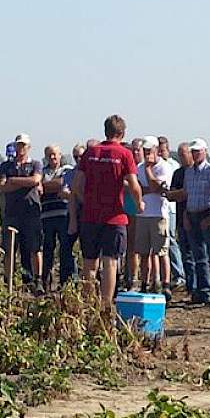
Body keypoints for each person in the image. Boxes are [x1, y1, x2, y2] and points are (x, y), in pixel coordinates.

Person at [70, 115, 144, 308]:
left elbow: (76, 185)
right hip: (114, 217)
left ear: (105, 131)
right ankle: (105, 306)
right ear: (122, 133)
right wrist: (139, 203)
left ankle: (88, 303)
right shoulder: (124, 154)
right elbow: (134, 186)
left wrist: (87, 201)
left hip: (90, 216)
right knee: (110, 262)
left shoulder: (90, 152)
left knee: (89, 262)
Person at [174, 138, 210, 306]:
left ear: (205, 151)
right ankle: (202, 291)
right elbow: (187, 195)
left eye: (198, 151)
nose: (195, 154)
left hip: (207, 214)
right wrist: (186, 216)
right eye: (193, 151)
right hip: (192, 214)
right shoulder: (189, 172)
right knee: (198, 256)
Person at [0, 133, 44, 291]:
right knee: (10, 249)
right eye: (18, 145)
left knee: (34, 248)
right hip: (12, 213)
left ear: (28, 147)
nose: (20, 148)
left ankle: (37, 280)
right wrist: (26, 182)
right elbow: (2, 186)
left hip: (31, 213)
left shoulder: (35, 164)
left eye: (23, 145)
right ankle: (8, 281)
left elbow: (35, 180)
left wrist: (14, 181)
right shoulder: (6, 166)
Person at [135, 136, 172, 293]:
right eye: (145, 151)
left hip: (159, 214)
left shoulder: (164, 167)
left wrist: (149, 170)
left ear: (156, 150)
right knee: (144, 253)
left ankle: (165, 284)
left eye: (149, 150)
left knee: (162, 252)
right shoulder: (139, 167)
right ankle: (144, 283)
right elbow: (137, 188)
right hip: (143, 215)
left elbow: (159, 188)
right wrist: (150, 188)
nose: (147, 153)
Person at [41, 145, 75, 288]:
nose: (52, 157)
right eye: (49, 155)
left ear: (60, 155)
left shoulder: (67, 170)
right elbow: (40, 186)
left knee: (65, 249)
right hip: (46, 216)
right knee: (47, 249)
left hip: (63, 215)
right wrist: (53, 185)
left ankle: (64, 282)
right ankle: (46, 282)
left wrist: (48, 185)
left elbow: (63, 183)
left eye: (55, 154)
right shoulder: (42, 171)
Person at [164, 143, 196, 296]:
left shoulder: (197, 172)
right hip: (181, 216)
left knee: (199, 254)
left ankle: (201, 286)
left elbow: (187, 193)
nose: (182, 158)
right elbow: (171, 195)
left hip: (196, 216)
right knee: (186, 253)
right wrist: (182, 193)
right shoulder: (178, 173)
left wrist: (182, 193)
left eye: (184, 154)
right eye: (180, 155)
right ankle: (190, 286)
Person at [158, 136, 185, 289]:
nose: (161, 153)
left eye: (163, 150)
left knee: (171, 240)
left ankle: (179, 273)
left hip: (171, 209)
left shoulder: (173, 165)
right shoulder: (155, 165)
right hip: (160, 208)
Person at [123, 137, 145, 289]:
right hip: (124, 208)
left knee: (137, 247)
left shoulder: (144, 168)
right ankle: (128, 277)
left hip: (140, 210)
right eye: (133, 150)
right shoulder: (127, 167)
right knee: (127, 246)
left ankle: (137, 278)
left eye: (138, 150)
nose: (135, 153)